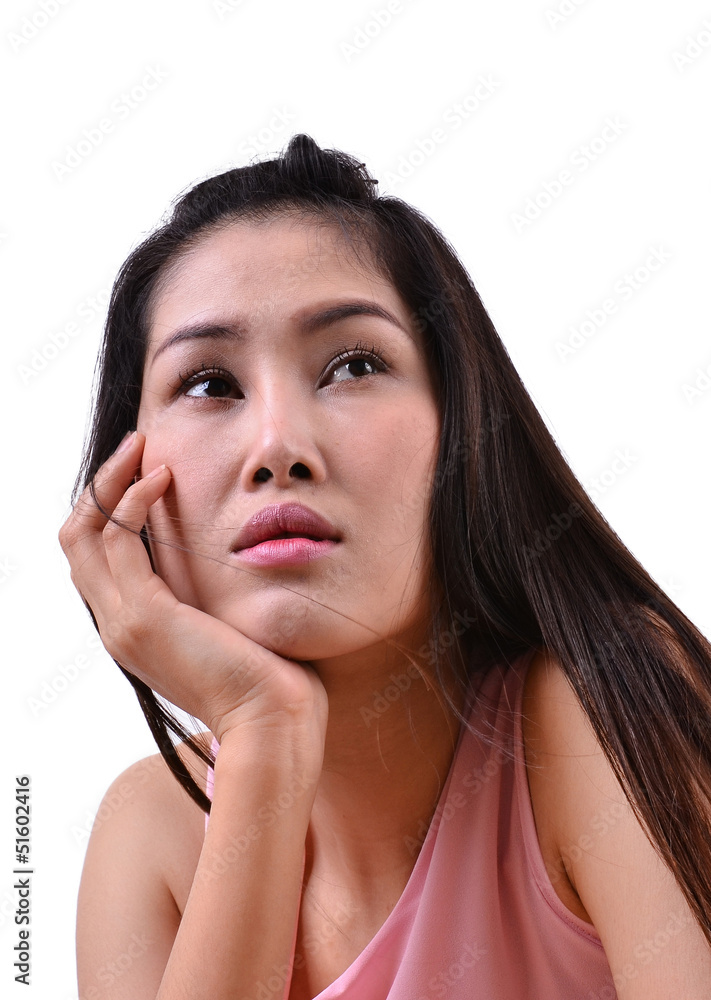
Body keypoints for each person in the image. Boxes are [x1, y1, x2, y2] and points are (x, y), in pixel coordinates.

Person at [59, 133, 711, 999]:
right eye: (210, 384)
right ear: (125, 481)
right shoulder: (150, 834)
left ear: (461, 430)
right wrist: (263, 731)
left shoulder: (597, 711)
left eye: (353, 365)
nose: (277, 446)